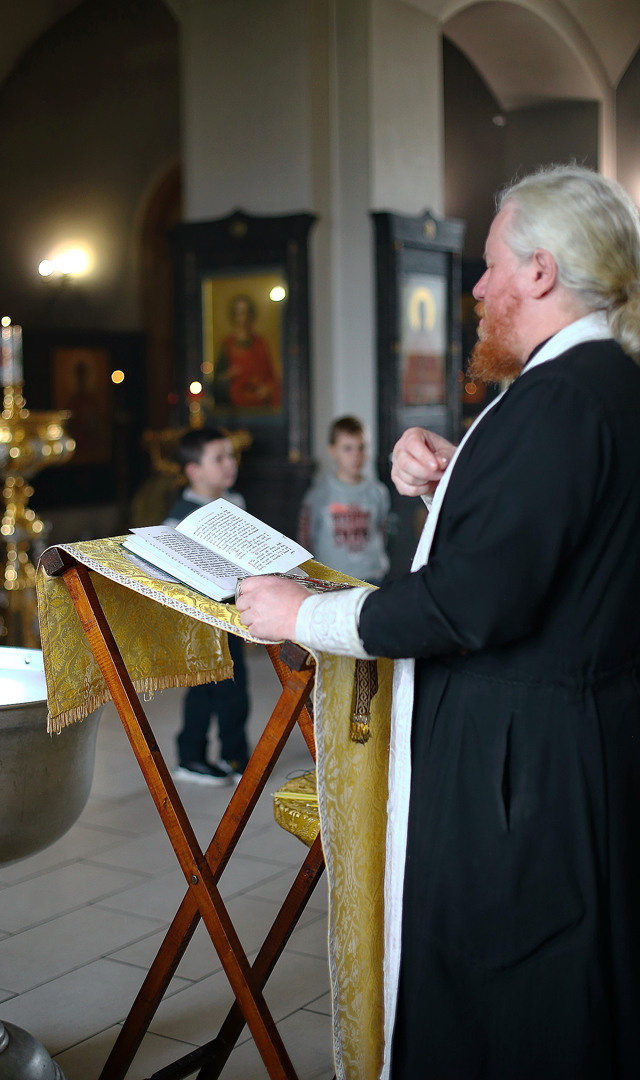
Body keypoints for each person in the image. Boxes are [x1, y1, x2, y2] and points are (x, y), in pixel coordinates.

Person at [235, 164, 640, 1079]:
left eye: (492, 263)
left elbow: (475, 601)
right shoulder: (602, 381)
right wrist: (456, 479)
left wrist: (307, 612)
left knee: (514, 997)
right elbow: (556, 547)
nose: (477, 287)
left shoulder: (560, 398)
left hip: (525, 770)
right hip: (576, 740)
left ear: (540, 271)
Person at [165, 426, 250, 785]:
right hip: (200, 617)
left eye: (231, 455)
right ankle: (191, 757)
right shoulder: (180, 515)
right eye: (219, 458)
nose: (230, 463)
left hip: (231, 612)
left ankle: (235, 755)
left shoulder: (236, 502)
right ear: (194, 471)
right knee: (203, 687)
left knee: (235, 685)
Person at [297, 415, 390, 585]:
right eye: (348, 448)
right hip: (332, 578)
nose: (356, 455)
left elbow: (382, 529)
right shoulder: (319, 494)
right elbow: (306, 537)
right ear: (332, 451)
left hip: (372, 575)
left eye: (361, 447)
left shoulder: (378, 492)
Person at [213, 293, 281, 409]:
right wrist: (227, 376)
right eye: (239, 313)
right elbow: (217, 382)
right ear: (234, 316)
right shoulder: (227, 345)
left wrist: (267, 388)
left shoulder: (260, 345)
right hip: (235, 407)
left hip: (259, 405)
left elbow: (271, 377)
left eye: (246, 313)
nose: (243, 318)